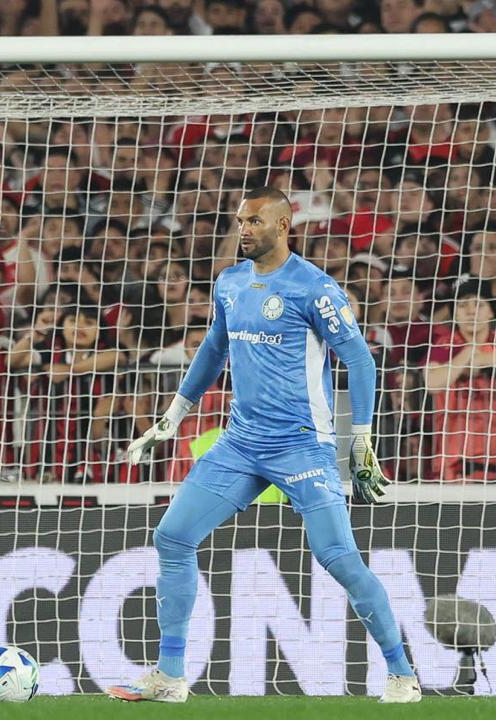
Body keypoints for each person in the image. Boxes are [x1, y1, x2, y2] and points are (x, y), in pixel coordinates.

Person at [107, 187, 421, 703]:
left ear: (282, 225)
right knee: (173, 537)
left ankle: (402, 674)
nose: (243, 230)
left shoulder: (314, 288)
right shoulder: (230, 282)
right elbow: (214, 348)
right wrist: (173, 414)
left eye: (253, 221)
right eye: (239, 221)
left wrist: (362, 439)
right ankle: (169, 676)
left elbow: (360, 361)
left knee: (339, 558)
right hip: (240, 442)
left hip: (301, 445)